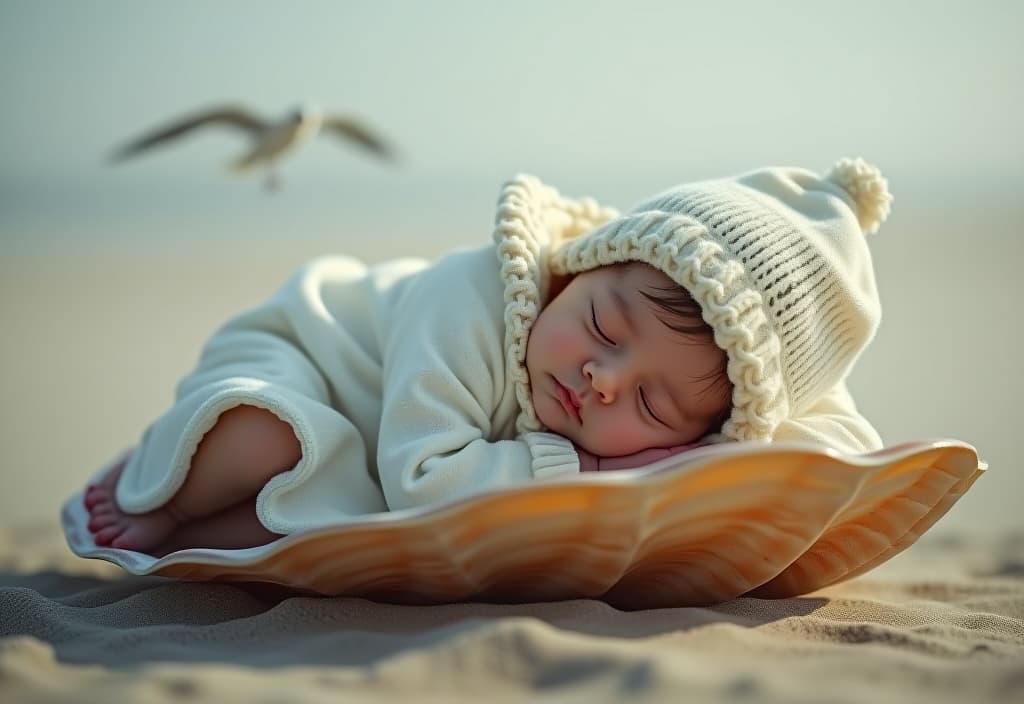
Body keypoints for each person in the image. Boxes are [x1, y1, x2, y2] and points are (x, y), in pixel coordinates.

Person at [84, 157, 892, 555]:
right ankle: (166, 493)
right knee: (267, 438)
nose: (603, 382)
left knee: (290, 533)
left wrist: (730, 448)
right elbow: (423, 480)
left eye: (654, 407)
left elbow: (825, 441)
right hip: (303, 357)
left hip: (373, 448)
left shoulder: (691, 398)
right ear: (576, 267)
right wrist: (602, 470)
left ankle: (197, 530)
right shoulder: (470, 300)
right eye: (604, 330)